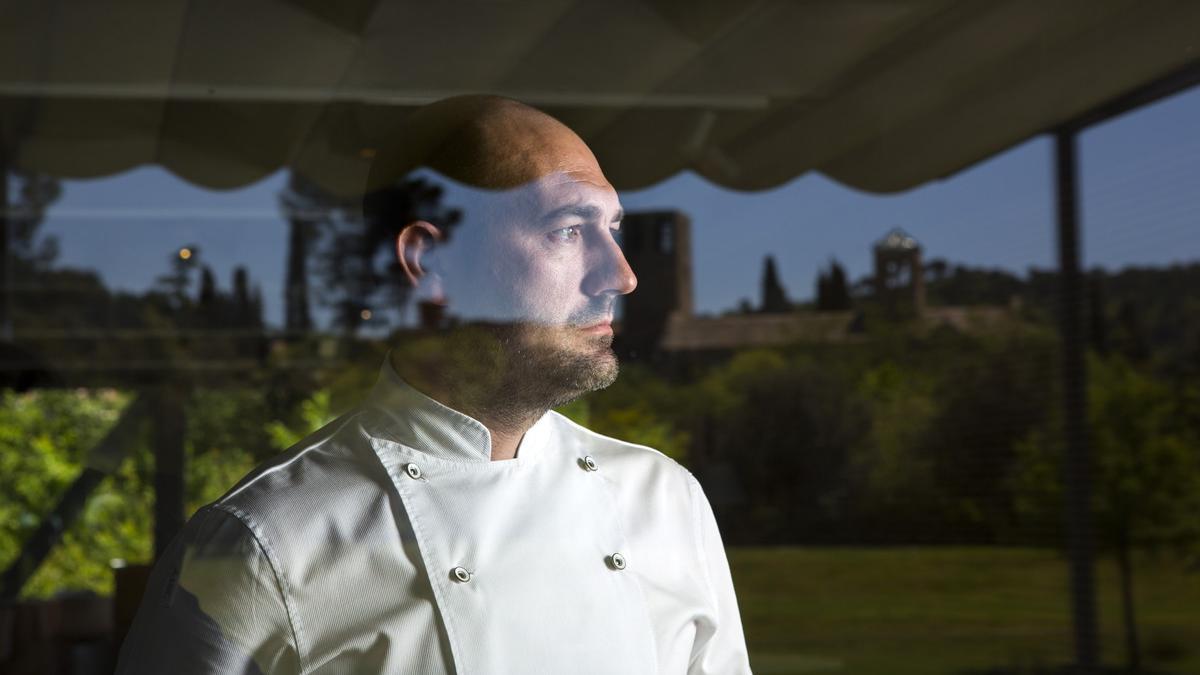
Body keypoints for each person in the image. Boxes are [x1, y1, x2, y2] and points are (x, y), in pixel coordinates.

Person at [116, 96, 752, 674]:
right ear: (429, 261)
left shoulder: (666, 500)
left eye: (611, 229)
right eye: (567, 229)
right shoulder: (264, 546)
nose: (621, 275)